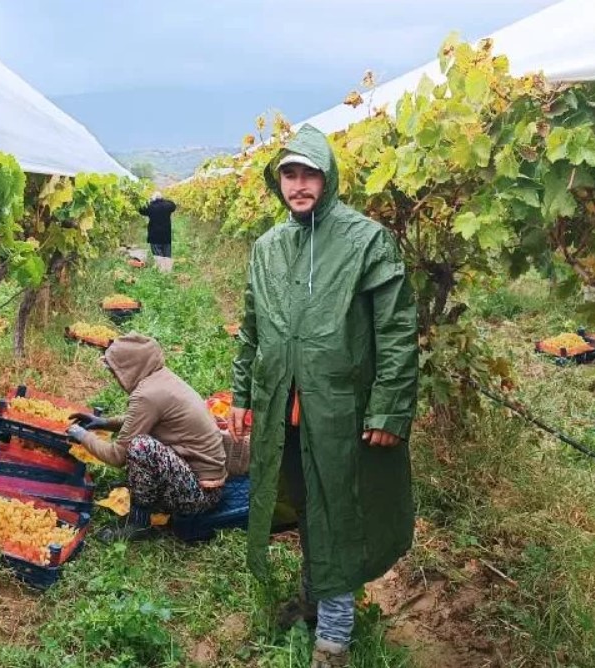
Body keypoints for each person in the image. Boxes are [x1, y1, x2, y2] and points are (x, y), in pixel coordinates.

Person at [228, 124, 419, 668]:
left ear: (327, 176)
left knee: (338, 509)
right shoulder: (267, 248)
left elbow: (397, 331)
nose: (299, 183)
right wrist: (242, 393)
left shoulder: (365, 241)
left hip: (340, 410)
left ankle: (333, 638)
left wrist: (389, 407)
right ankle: (314, 600)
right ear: (278, 182)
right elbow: (250, 329)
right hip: (280, 407)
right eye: (290, 173)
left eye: (309, 172)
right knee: (306, 503)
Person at [66, 333, 228, 519]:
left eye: (115, 372)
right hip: (206, 484)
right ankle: (148, 494)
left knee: (140, 447)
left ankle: (140, 520)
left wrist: (82, 436)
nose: (115, 378)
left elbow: (117, 456)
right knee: (140, 444)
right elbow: (142, 420)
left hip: (198, 495)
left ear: (130, 369)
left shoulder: (146, 395)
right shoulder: (162, 379)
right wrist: (104, 423)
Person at [139, 192, 176, 272]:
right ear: (161, 198)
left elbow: (141, 210)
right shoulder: (167, 206)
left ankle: (162, 270)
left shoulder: (150, 206)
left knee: (158, 254)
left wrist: (150, 201)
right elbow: (173, 205)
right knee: (167, 253)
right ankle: (167, 270)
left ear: (153, 199)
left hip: (154, 235)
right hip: (166, 234)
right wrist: (163, 200)